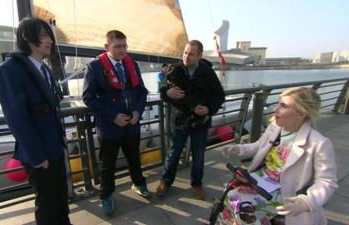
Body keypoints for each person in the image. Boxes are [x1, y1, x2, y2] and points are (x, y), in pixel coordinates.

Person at [220, 87, 338, 225]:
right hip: (261, 180)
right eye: (278, 103)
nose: (276, 109)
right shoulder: (275, 127)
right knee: (230, 193)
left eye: (283, 105)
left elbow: (327, 181)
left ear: (300, 113)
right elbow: (258, 146)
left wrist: (307, 201)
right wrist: (238, 148)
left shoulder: (319, 143)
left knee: (241, 205)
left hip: (285, 192)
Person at [0, 17, 71, 225]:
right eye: (42, 36)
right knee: (47, 203)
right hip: (38, 151)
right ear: (26, 38)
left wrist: (61, 135)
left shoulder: (43, 68)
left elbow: (51, 108)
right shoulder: (10, 69)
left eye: (49, 35)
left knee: (60, 196)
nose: (49, 40)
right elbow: (16, 117)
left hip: (54, 145)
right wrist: (37, 155)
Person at [82, 30, 150, 216]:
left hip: (132, 123)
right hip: (110, 127)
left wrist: (138, 111)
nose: (122, 50)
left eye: (124, 46)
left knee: (134, 157)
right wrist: (113, 117)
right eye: (117, 46)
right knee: (108, 164)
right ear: (107, 47)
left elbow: (142, 92)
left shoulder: (132, 64)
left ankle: (139, 184)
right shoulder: (94, 68)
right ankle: (106, 196)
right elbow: (88, 98)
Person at [156, 40, 225, 200]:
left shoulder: (207, 71)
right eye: (185, 52)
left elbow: (219, 95)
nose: (187, 57)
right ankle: (166, 181)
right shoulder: (175, 70)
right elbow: (163, 91)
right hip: (180, 120)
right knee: (173, 153)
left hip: (201, 120)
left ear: (200, 56)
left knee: (199, 155)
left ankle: (197, 183)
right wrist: (167, 94)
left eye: (191, 54)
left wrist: (210, 109)